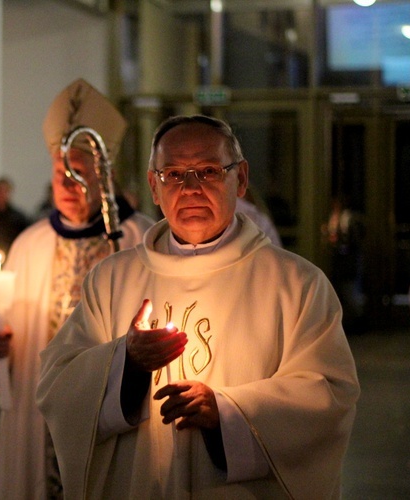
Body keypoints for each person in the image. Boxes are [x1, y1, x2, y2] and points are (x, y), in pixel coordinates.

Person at [36, 115, 360, 498]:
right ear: (154, 187)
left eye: (207, 171)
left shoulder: (296, 284)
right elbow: (58, 383)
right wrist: (126, 362)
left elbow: (328, 398)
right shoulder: (111, 280)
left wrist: (226, 411)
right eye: (173, 174)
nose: (189, 188)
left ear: (240, 179)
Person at [0, 78, 155, 499]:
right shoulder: (30, 243)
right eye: (60, 175)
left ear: (103, 177)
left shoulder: (137, 240)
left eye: (80, 175)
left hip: (111, 408)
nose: (68, 187)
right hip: (40, 411)